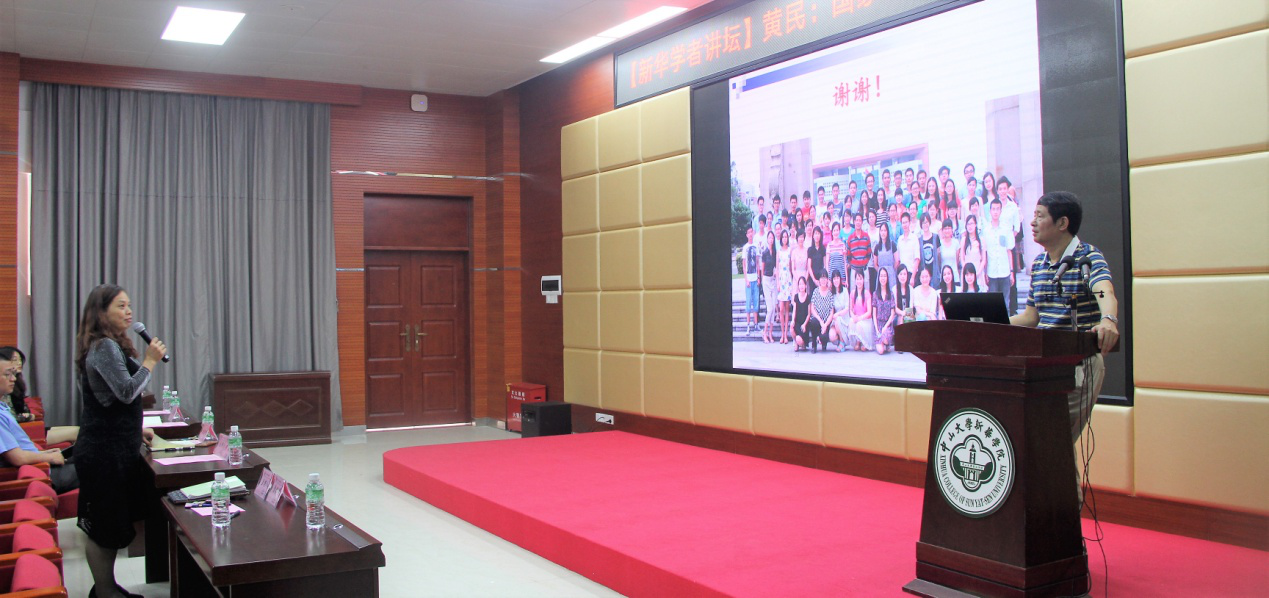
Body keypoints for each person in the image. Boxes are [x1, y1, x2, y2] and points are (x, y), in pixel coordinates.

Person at [74, 284, 167, 598]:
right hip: (103, 453)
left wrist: (134, 430)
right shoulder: (103, 346)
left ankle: (108, 587)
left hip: (114, 445)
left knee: (111, 522)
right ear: (102, 312)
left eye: (129, 305)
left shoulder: (108, 345)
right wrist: (150, 361)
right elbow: (127, 391)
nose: (129, 312)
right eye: (121, 306)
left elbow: (110, 400)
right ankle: (104, 592)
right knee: (104, 526)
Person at [1010, 191, 1118, 445]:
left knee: (1052, 440)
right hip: (1044, 365)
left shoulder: (1087, 258)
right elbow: (1031, 317)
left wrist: (1108, 319)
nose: (1032, 223)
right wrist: (990, 322)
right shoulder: (1039, 264)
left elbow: (1103, 290)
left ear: (1062, 223)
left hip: (1079, 364)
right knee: (1050, 445)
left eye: (1040, 216)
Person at [0, 357, 77, 492]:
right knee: (103, 467)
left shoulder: (2, 407)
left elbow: (20, 448)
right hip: (43, 473)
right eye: (7, 375)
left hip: (40, 464)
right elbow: (17, 458)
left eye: (13, 374)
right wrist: (48, 457)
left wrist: (44, 453)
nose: (13, 379)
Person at [0, 347, 80, 446]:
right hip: (23, 432)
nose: (19, 363)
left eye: (20, 360)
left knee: (78, 430)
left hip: (27, 429)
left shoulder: (15, 383)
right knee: (77, 432)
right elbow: (9, 418)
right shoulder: (4, 388)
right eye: (14, 360)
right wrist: (28, 417)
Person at [982, 199, 1015, 303]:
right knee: (993, 303)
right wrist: (985, 272)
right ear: (990, 211)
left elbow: (1009, 251)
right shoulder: (986, 230)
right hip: (991, 272)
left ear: (1001, 211)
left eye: (997, 209)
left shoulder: (1006, 229)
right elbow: (985, 253)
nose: (995, 212)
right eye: (993, 209)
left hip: (1005, 271)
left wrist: (1011, 272)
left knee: (1006, 302)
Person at [872, 267, 898, 354]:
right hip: (878, 325)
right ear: (878, 278)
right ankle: (883, 345)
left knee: (885, 338)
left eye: (884, 276)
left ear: (887, 278)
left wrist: (885, 327)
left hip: (887, 325)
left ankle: (886, 344)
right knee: (880, 351)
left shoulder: (891, 294)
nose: (883, 278)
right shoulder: (875, 294)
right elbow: (874, 314)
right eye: (881, 276)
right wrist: (876, 329)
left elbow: (892, 314)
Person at [846, 269, 874, 351]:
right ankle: (857, 342)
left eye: (860, 279)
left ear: (863, 280)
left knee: (859, 324)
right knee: (851, 321)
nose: (859, 281)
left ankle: (864, 342)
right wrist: (853, 316)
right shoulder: (852, 293)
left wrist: (860, 318)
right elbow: (850, 310)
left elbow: (869, 312)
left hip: (865, 320)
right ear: (855, 280)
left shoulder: (867, 293)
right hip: (857, 318)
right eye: (857, 279)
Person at [808, 273, 835, 353]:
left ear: (827, 280)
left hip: (826, 322)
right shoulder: (815, 291)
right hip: (818, 320)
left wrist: (825, 325)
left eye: (825, 278)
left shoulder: (830, 293)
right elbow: (812, 309)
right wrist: (820, 322)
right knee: (813, 322)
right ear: (819, 280)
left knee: (824, 337)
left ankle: (824, 343)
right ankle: (814, 344)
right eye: (821, 278)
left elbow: (831, 312)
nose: (823, 280)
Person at [741, 228, 761, 337]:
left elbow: (757, 263)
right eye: (748, 232)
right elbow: (744, 265)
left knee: (756, 302)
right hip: (748, 279)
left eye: (751, 232)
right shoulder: (745, 248)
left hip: (755, 278)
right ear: (746, 234)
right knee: (748, 302)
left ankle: (756, 324)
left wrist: (758, 277)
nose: (750, 234)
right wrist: (746, 279)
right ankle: (748, 325)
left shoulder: (756, 246)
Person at [776, 231, 793, 345]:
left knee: (787, 309)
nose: (785, 239)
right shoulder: (779, 251)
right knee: (781, 308)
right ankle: (782, 333)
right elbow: (777, 268)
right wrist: (778, 282)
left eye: (786, 237)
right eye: (783, 237)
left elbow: (791, 267)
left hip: (788, 280)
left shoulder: (790, 250)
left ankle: (785, 335)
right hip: (781, 280)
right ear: (781, 239)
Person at [761, 231, 778, 344]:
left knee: (773, 309)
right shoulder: (765, 253)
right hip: (766, 280)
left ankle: (770, 334)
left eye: (772, 238)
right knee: (770, 308)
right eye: (769, 238)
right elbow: (762, 269)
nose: (771, 239)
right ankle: (764, 333)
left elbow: (776, 266)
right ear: (767, 239)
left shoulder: (775, 252)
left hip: (773, 280)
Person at [792, 277, 813, 353]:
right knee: (791, 328)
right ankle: (796, 343)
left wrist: (804, 324)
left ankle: (803, 344)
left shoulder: (808, 297)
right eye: (800, 284)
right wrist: (793, 320)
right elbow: (794, 310)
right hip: (797, 322)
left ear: (806, 286)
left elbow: (809, 314)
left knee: (799, 339)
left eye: (803, 284)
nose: (801, 286)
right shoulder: (796, 296)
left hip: (805, 324)